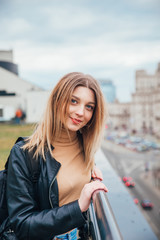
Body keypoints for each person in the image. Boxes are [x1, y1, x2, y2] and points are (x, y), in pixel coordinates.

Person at [6, 72, 108, 240]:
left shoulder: (86, 148)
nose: (81, 112)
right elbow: (22, 224)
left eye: (89, 107)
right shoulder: (24, 154)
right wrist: (78, 206)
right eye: (73, 101)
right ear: (57, 100)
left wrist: (91, 175)